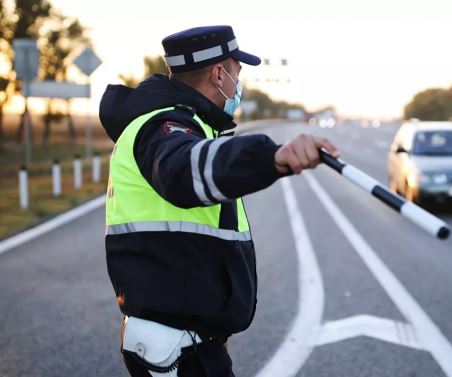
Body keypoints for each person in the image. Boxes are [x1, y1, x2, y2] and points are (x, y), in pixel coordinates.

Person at [99, 25, 339, 377]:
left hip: (189, 342)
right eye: (237, 73)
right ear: (218, 73)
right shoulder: (162, 128)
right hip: (174, 350)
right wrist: (271, 157)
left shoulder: (189, 125)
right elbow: (185, 170)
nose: (239, 84)